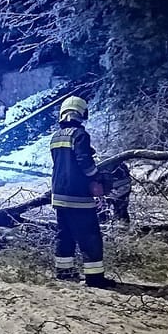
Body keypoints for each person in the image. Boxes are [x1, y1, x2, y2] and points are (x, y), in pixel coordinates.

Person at [50, 96, 116, 288]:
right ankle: (95, 278)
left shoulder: (56, 136)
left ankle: (64, 272)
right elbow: (84, 163)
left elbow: (63, 162)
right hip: (78, 195)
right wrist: (97, 177)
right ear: (82, 113)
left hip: (59, 195)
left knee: (65, 235)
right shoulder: (80, 135)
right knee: (90, 236)